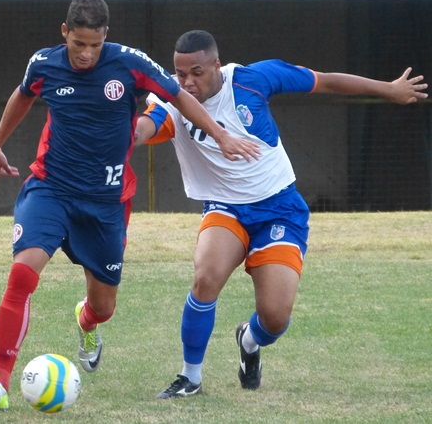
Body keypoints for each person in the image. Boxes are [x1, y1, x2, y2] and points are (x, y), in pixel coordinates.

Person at [0, 1, 260, 413]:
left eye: (94, 43)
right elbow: (22, 95)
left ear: (106, 35)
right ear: (64, 31)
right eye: (78, 43)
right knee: (21, 274)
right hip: (51, 189)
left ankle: (86, 322)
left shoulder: (129, 64)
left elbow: (177, 96)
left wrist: (221, 135)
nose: (86, 53)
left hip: (107, 203)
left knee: (103, 307)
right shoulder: (45, 64)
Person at [135, 30, 428, 399]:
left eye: (196, 72)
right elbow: (146, 126)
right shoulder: (171, 98)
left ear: (215, 64)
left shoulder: (254, 79)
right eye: (180, 74)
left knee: (274, 318)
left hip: (279, 209)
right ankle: (190, 377)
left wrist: (389, 89)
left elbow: (325, 82)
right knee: (205, 277)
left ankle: (250, 339)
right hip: (225, 209)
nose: (187, 82)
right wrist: (121, 134)